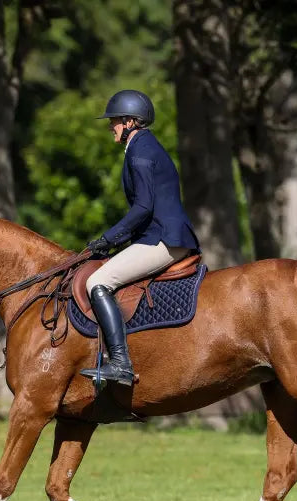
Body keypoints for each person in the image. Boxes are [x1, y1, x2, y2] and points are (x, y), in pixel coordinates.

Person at [79, 89, 201, 386]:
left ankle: (120, 363)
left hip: (164, 238)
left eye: (116, 121)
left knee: (97, 282)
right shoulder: (144, 147)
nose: (112, 126)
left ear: (131, 122)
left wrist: (108, 238)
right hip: (160, 234)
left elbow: (143, 207)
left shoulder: (141, 152)